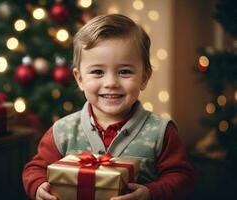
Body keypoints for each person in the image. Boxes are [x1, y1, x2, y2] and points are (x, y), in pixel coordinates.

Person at [23, 14, 195, 200]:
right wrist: (39, 186)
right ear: (80, 79)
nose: (111, 83)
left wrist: (150, 193)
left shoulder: (161, 132)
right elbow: (35, 169)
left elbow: (182, 178)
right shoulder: (62, 131)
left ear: (144, 78)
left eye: (124, 71)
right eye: (98, 72)